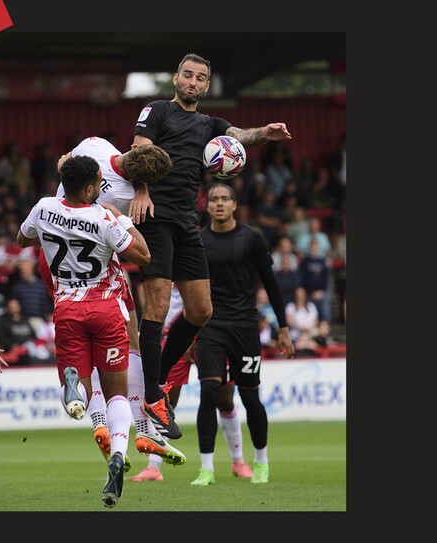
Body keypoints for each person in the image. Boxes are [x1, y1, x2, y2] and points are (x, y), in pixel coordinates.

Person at [129, 52, 293, 440]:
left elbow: (239, 136)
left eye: (200, 77)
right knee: (157, 307)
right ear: (176, 79)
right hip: (155, 216)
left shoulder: (210, 124)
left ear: (205, 85)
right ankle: (151, 396)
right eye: (187, 75)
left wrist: (265, 133)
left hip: (187, 223)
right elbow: (138, 151)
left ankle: (158, 383)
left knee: (201, 310)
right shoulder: (157, 111)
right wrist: (141, 191)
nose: (192, 81)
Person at [38, 138, 187, 467]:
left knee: (83, 352)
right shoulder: (126, 198)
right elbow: (141, 253)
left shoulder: (96, 145)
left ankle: (101, 423)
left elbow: (68, 162)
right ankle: (141, 430)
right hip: (98, 274)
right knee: (129, 340)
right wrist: (140, 195)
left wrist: (64, 163)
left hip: (53, 262)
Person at [17, 155, 151, 508]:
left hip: (67, 308)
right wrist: (122, 218)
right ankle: (118, 455)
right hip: (106, 309)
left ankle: (74, 386)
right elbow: (143, 256)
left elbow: (22, 240)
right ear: (90, 188)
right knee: (117, 394)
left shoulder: (43, 207)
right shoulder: (104, 217)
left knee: (82, 390)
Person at [189, 183, 294, 486]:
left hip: (245, 327)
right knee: (209, 393)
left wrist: (283, 328)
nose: (219, 203)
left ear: (235, 205)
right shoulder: (199, 241)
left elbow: (271, 283)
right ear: (207, 206)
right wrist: (189, 334)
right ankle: (206, 469)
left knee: (249, 396)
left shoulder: (252, 238)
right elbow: (190, 291)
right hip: (210, 326)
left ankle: (261, 461)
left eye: (225, 199)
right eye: (214, 199)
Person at [128, 283, 255, 481]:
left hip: (210, 333)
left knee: (224, 400)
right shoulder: (164, 266)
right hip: (173, 338)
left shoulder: (200, 264)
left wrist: (195, 334)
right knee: (165, 401)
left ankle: (238, 461)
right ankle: (153, 467)